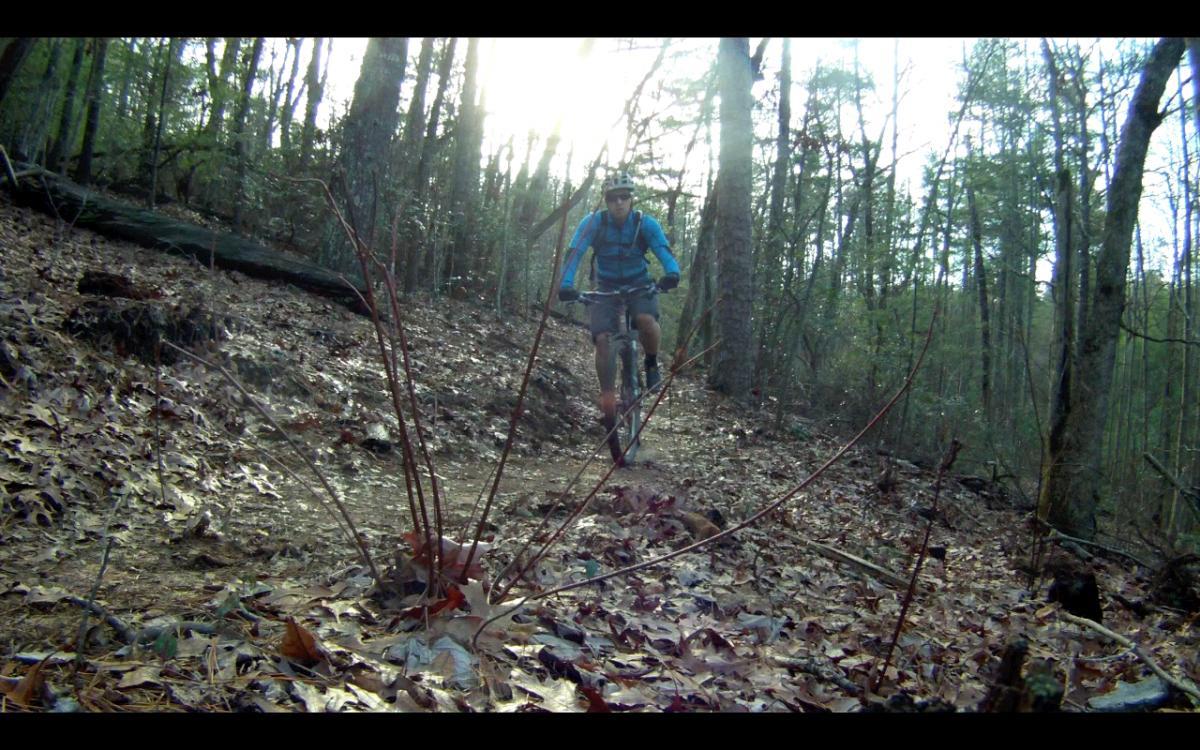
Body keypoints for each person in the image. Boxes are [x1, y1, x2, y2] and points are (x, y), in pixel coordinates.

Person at [558, 171, 680, 466]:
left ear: (631, 198)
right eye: (613, 198)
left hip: (639, 284)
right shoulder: (594, 223)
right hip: (607, 288)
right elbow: (575, 252)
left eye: (624, 196)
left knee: (646, 320)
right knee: (602, 341)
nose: (619, 202)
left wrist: (671, 272)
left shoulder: (644, 224)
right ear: (606, 201)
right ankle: (608, 399)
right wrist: (566, 283)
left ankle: (650, 362)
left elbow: (663, 249)